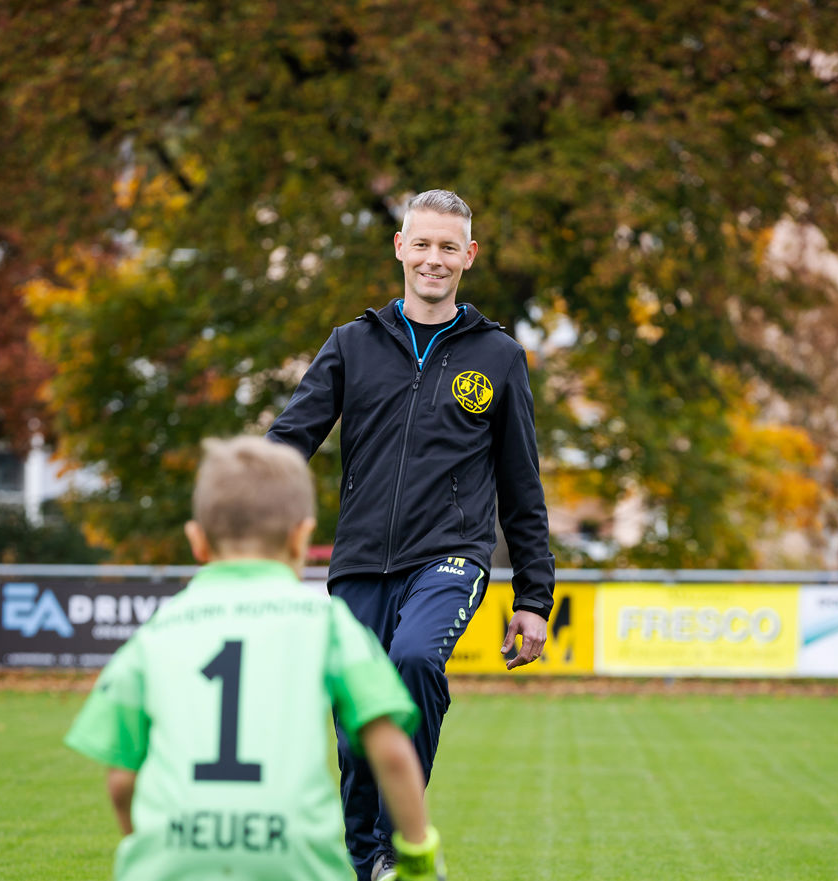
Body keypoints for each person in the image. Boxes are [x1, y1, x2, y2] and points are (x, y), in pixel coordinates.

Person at [267, 189, 556, 881]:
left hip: (451, 556)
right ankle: (368, 859)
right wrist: (239, 516)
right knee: (356, 717)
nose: (434, 258)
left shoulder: (499, 356)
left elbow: (523, 486)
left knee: (418, 660)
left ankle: (402, 837)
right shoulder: (352, 343)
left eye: (448, 246)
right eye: (421, 243)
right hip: (360, 561)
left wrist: (534, 598)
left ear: (469, 256)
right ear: (400, 246)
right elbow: (288, 441)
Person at [64, 436, 446, 881]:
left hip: (171, 858)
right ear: (301, 537)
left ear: (197, 540)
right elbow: (393, 753)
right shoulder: (327, 623)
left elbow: (121, 780)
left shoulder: (157, 631)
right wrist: (417, 859)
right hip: (293, 858)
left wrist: (147, 847)